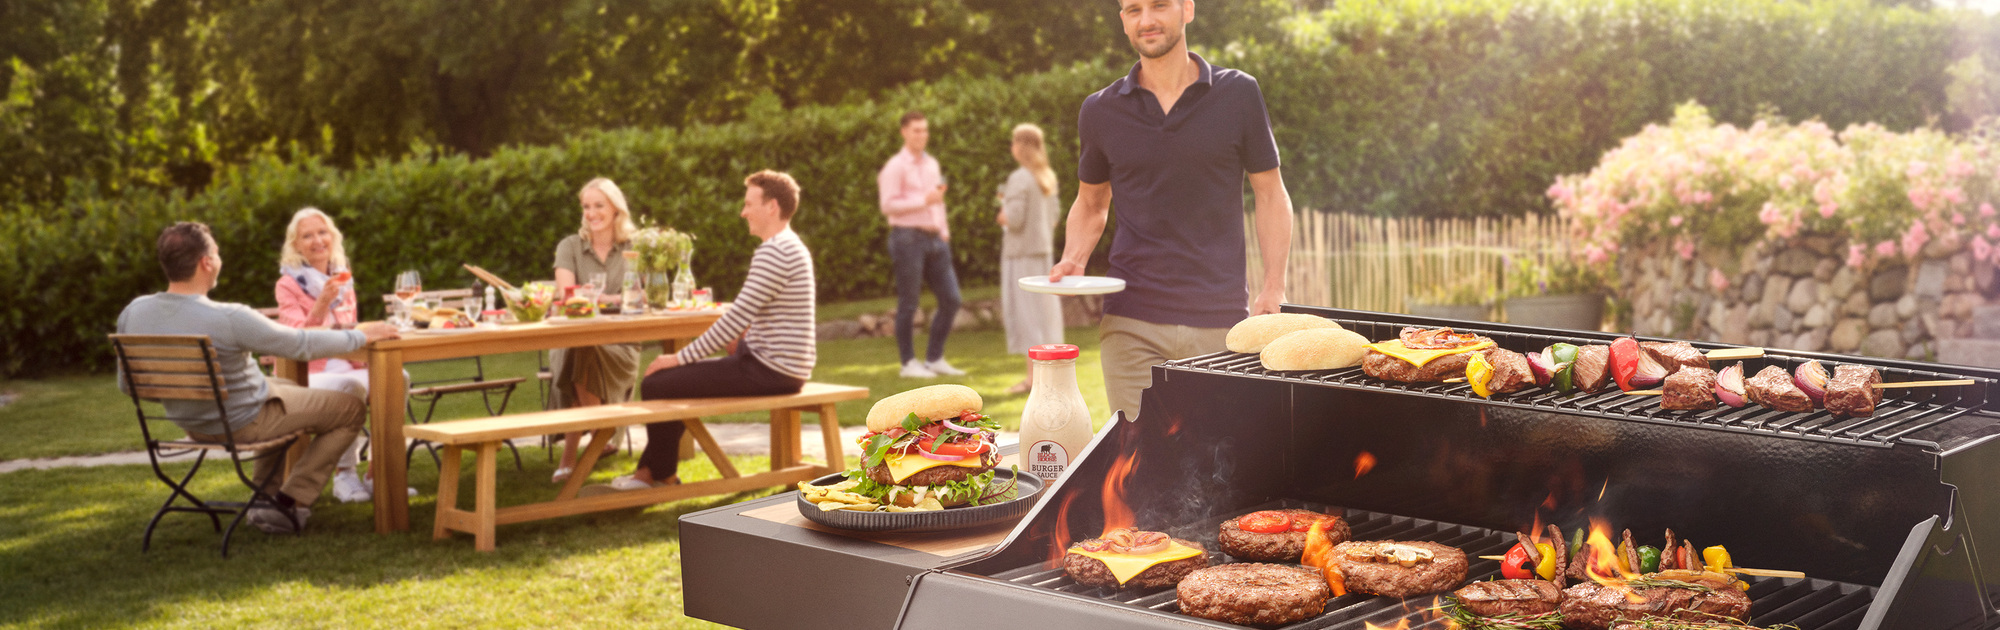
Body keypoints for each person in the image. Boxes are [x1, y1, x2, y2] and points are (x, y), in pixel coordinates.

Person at [1048, 0, 1294, 420]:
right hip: (1131, 321)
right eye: (1133, 9)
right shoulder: (1100, 110)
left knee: (1222, 464)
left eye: (1159, 5)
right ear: (1123, 21)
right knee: (1136, 465)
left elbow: (1270, 193)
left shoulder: (1238, 94)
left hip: (1221, 323)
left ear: (1187, 9)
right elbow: (1091, 202)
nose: (1147, 20)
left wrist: (1274, 286)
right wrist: (1074, 257)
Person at [118, 222, 399, 533]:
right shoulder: (228, 316)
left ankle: (265, 499)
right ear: (206, 262)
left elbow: (127, 384)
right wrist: (359, 336)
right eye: (217, 252)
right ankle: (291, 502)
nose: (219, 259)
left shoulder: (134, 312)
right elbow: (298, 344)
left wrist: (185, 395)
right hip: (243, 420)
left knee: (288, 387)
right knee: (350, 408)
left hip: (191, 423)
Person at [601, 170, 815, 491]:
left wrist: (678, 358)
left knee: (658, 382)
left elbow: (736, 317)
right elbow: (752, 313)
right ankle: (654, 473)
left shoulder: (775, 251)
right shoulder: (790, 246)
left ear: (771, 207)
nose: (743, 212)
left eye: (748, 204)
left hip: (769, 370)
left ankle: (656, 475)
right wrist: (738, 340)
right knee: (668, 384)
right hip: (780, 366)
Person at [272, 207, 373, 503]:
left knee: (398, 377)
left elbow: (349, 327)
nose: (317, 240)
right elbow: (297, 341)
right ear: (296, 245)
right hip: (307, 373)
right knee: (351, 388)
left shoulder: (343, 278)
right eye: (307, 235)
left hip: (348, 363)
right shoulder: (288, 285)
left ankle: (379, 473)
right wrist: (321, 304)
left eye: (322, 232)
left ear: (333, 236)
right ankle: (345, 476)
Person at [549, 177, 644, 484]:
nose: (591, 213)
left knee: (583, 354)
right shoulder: (569, 246)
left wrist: (598, 298)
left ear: (616, 208)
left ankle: (573, 455)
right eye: (586, 206)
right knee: (581, 349)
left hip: (621, 344)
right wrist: (615, 299)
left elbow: (640, 298)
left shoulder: (633, 248)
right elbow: (567, 295)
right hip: (574, 340)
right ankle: (604, 433)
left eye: (599, 205)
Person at [879, 109, 966, 379]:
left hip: (935, 238)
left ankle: (934, 358)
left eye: (925, 130)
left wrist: (944, 230)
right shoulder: (895, 166)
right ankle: (908, 364)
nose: (922, 135)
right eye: (917, 130)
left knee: (952, 299)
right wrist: (923, 201)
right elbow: (888, 205)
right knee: (909, 302)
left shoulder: (932, 164)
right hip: (907, 238)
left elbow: (937, 199)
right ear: (904, 132)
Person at [997, 123, 1067, 394]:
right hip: (1043, 254)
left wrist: (1002, 214)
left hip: (1021, 257)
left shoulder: (1020, 178)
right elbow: (1054, 218)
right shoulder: (1046, 176)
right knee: (1045, 316)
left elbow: (1013, 219)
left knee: (1027, 316)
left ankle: (1031, 380)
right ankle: (1049, 379)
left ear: (1020, 146)